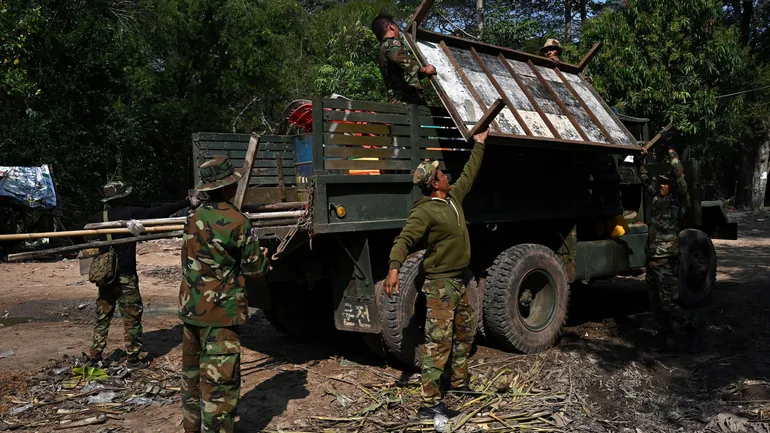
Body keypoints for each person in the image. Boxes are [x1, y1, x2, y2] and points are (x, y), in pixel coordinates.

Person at [385, 128, 489, 420]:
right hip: (441, 285)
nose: (445, 175)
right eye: (440, 174)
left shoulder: (453, 198)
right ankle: (430, 402)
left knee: (465, 334)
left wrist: (479, 145)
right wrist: (394, 268)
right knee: (438, 342)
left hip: (460, 280)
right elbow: (404, 239)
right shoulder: (425, 211)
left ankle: (459, 383)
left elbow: (469, 172)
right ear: (434, 185)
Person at [179, 157, 270, 433]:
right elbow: (255, 269)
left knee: (192, 379)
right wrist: (263, 258)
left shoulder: (192, 217)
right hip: (220, 316)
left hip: (191, 311)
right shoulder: (237, 221)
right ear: (228, 185)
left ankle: (191, 427)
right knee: (219, 387)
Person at [87, 181, 193, 369]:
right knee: (131, 316)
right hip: (125, 276)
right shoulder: (131, 213)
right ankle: (133, 358)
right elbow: (160, 212)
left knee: (103, 315)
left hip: (105, 276)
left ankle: (95, 354)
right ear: (122, 197)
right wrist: (185, 202)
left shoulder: (98, 217)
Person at [634, 139, 703, 354]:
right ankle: (665, 338)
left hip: (667, 261)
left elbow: (680, 175)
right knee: (656, 304)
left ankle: (693, 331)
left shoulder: (678, 202)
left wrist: (671, 150)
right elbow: (645, 180)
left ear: (672, 186)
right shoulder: (656, 199)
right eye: (661, 183)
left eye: (665, 183)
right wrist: (641, 163)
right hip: (652, 260)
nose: (662, 185)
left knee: (669, 304)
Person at [370, 13, 437, 105]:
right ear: (391, 27)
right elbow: (396, 56)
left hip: (401, 101)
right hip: (404, 101)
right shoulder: (391, 43)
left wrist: (420, 74)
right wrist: (424, 70)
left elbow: (405, 75)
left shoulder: (383, 47)